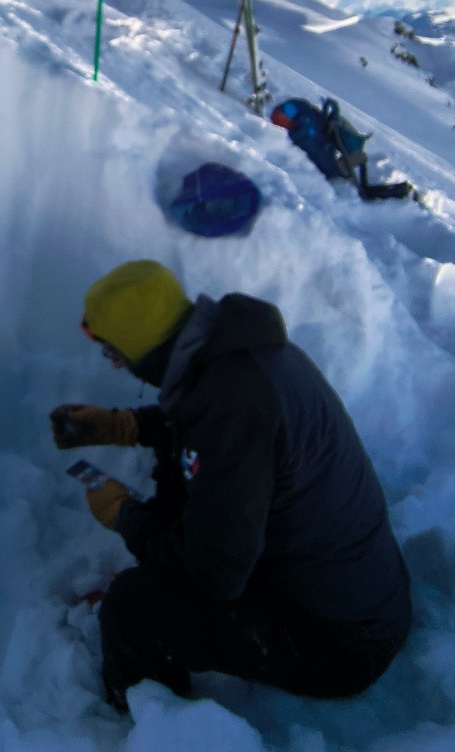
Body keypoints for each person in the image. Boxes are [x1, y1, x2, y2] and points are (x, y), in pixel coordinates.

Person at [51, 260, 412, 713]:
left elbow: (213, 572)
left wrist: (124, 515)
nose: (115, 363)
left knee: (133, 609)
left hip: (343, 642)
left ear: (142, 351)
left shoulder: (232, 406)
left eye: (113, 352)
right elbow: (203, 431)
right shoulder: (234, 356)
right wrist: (125, 426)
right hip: (361, 595)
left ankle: (148, 722)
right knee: (179, 505)